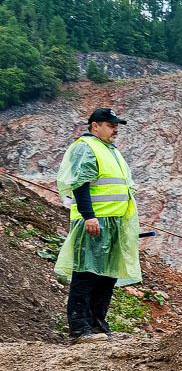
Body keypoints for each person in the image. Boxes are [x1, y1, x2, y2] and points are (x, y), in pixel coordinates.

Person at [54, 108, 142, 342]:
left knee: (106, 275)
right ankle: (79, 328)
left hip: (113, 221)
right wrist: (88, 216)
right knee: (87, 273)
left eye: (116, 126)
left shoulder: (109, 150)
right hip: (95, 221)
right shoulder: (86, 147)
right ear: (95, 126)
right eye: (111, 125)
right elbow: (80, 184)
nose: (116, 129)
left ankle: (97, 325)